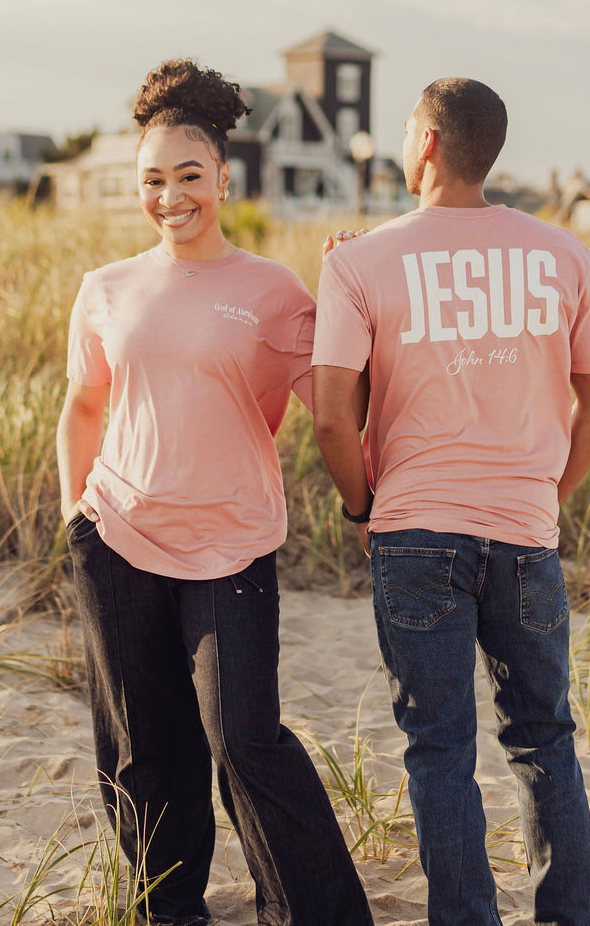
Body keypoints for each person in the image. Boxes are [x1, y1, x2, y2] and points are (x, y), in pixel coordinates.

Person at [56, 59, 373, 926]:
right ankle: (168, 909)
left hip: (231, 543)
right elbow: (82, 404)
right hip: (117, 536)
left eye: (188, 176)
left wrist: (349, 295)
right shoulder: (105, 288)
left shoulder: (272, 291)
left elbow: (339, 405)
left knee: (244, 739)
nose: (170, 197)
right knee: (141, 748)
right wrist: (72, 510)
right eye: (152, 180)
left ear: (224, 179)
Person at [311, 77, 590, 926]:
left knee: (438, 747)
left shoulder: (356, 261)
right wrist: (544, 496)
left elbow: (331, 417)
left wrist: (361, 509)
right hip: (524, 534)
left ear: (425, 143)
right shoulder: (563, 255)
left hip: (414, 533)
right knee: (544, 736)